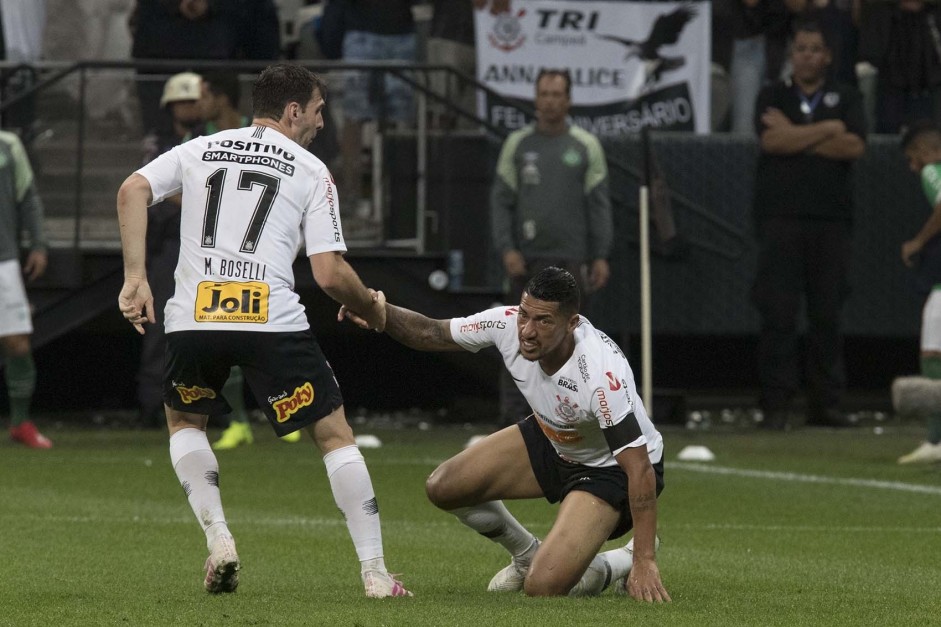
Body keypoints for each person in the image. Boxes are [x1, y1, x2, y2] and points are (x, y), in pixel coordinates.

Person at [116, 64, 412, 598]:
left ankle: (220, 540)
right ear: (294, 110)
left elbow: (132, 189)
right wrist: (367, 303)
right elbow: (328, 273)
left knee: (185, 421)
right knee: (334, 435)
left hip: (195, 319)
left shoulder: (202, 148)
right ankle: (375, 574)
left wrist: (136, 278)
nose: (322, 123)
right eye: (319, 111)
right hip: (270, 320)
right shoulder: (311, 169)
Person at [340, 266, 669, 601]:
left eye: (543, 321)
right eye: (524, 315)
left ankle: (621, 561)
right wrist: (377, 310)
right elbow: (432, 332)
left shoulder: (600, 374)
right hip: (555, 437)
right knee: (444, 487)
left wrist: (645, 559)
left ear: (571, 324)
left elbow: (639, 468)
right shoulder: (505, 324)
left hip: (610, 470)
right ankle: (526, 554)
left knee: (543, 588)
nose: (527, 330)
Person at [751, 19, 866, 430]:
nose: (807, 55)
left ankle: (826, 404)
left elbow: (853, 145)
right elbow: (771, 142)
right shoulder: (772, 93)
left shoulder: (847, 96)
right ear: (791, 53)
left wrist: (797, 134)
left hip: (831, 223)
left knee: (827, 315)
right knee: (777, 314)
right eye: (801, 48)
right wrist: (826, 130)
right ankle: (776, 404)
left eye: (815, 48)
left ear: (828, 55)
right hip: (779, 222)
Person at [490, 68, 613, 424]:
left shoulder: (586, 146)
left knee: (572, 342)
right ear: (535, 98)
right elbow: (501, 202)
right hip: (526, 260)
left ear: (569, 100)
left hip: (572, 260)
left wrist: (600, 254)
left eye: (557, 94)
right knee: (519, 339)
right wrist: (507, 248)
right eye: (544, 94)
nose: (549, 101)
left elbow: (598, 204)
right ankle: (515, 419)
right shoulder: (518, 144)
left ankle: (571, 417)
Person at [194, 70, 303, 449]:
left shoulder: (255, 133)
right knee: (230, 335)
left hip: (265, 252)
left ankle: (289, 412)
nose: (198, 102)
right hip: (219, 254)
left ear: (221, 97)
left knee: (276, 333)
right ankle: (239, 421)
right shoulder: (204, 138)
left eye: (204, 93)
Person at [135, 72, 203, 429]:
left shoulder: (210, 139)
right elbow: (147, 187)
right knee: (159, 324)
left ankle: (202, 404)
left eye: (193, 100)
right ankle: (152, 404)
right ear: (171, 105)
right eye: (183, 100)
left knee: (206, 325)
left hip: (203, 245)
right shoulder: (158, 141)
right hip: (168, 243)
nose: (188, 107)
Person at [894, 120, 941, 464]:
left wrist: (917, 242)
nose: (913, 168)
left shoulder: (933, 171)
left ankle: (937, 440)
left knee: (933, 350)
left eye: (914, 159)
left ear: (928, 152)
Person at [0, 129, 51, 449]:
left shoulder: (8, 144)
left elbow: (27, 195)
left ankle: (20, 422)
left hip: (3, 258)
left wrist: (38, 243)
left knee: (17, 343)